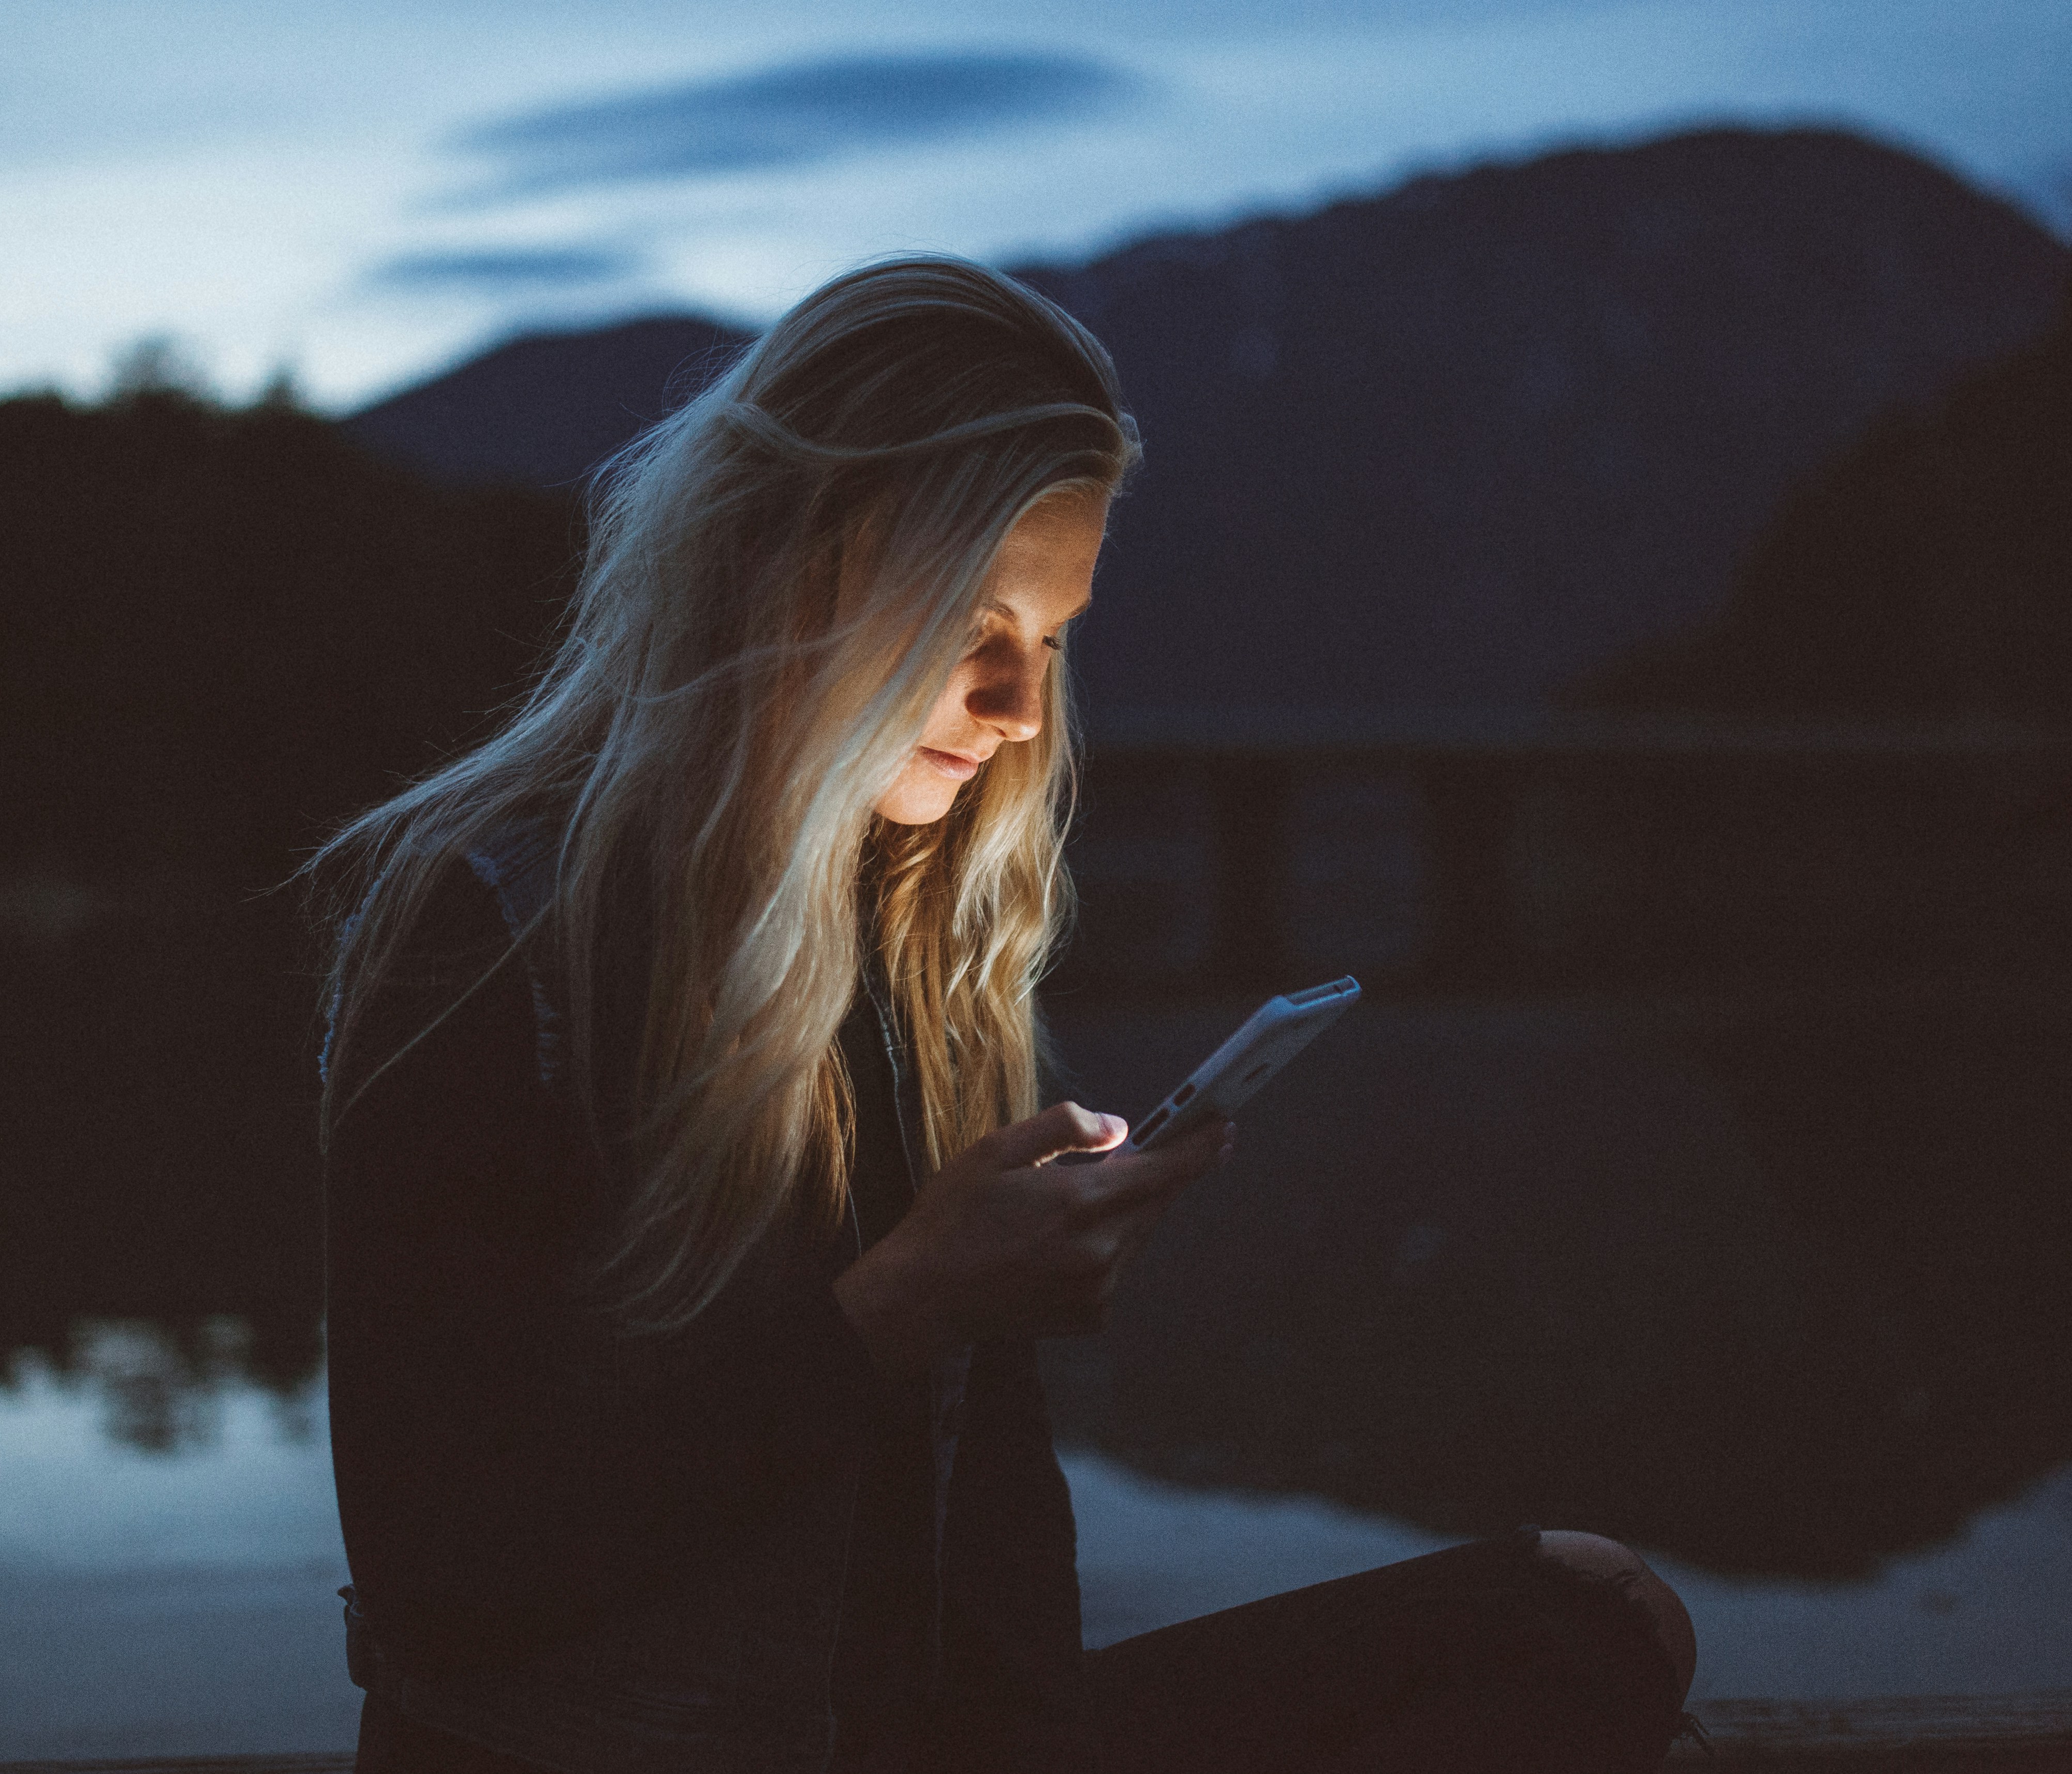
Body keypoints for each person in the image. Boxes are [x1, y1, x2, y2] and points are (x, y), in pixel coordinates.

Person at [308, 256, 1695, 1773]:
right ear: (789, 565)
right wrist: (906, 1307)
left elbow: (994, 1526)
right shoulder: (492, 930)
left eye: (1048, 635)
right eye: (972, 619)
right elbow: (449, 1591)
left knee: (1587, 1609)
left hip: (916, 1733)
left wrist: (987, 1304)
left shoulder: (907, 927)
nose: (1019, 707)